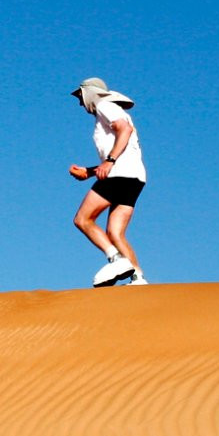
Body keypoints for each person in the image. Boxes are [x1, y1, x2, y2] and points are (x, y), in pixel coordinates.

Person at [66, 78, 149, 287]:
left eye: (80, 97)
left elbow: (124, 130)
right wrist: (90, 171)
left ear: (90, 93)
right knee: (115, 232)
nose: (80, 102)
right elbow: (125, 151)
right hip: (135, 177)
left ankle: (115, 260)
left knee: (82, 219)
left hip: (119, 174)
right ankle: (138, 277)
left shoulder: (105, 106)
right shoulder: (111, 111)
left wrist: (109, 161)